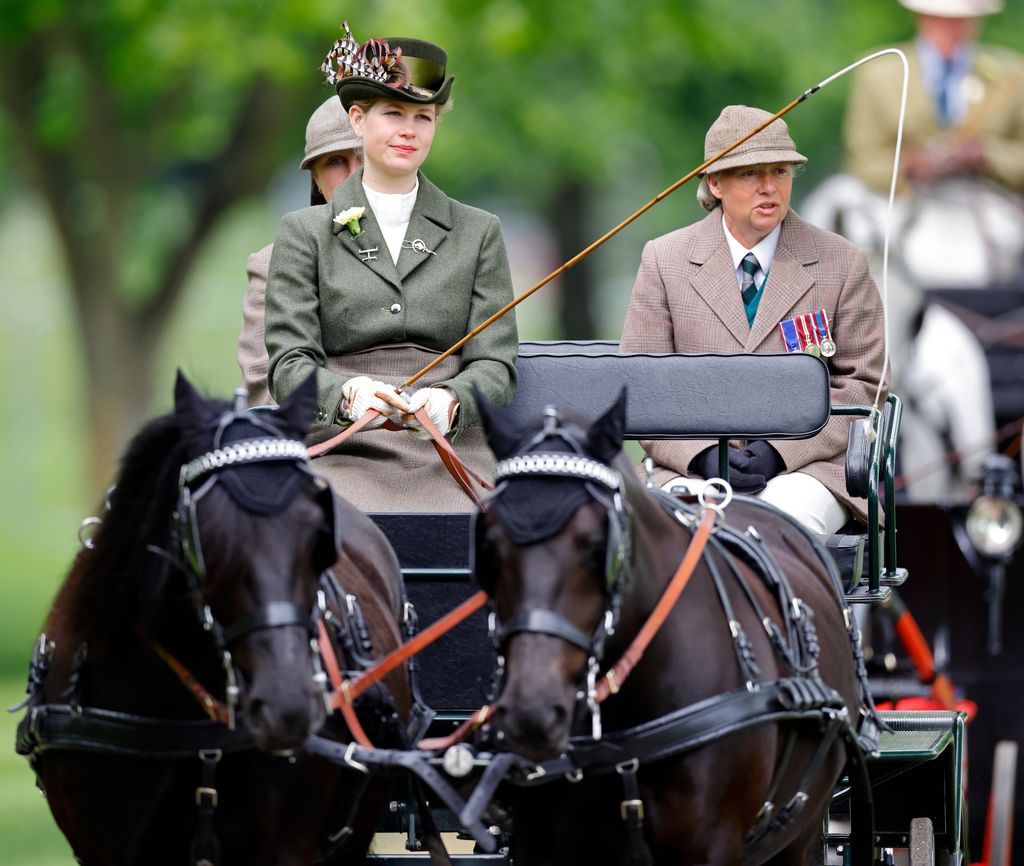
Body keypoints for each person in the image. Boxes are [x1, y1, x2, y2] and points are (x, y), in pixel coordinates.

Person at [264, 23, 518, 512]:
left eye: (423, 117)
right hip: (340, 447)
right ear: (357, 121)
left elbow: (497, 364)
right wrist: (348, 396)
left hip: (449, 451)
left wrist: (453, 400)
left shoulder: (478, 231)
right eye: (393, 113)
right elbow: (288, 364)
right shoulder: (303, 233)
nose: (409, 130)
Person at [620, 105, 887, 537]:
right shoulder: (664, 261)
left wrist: (780, 451)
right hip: (685, 473)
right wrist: (703, 454)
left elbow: (864, 385)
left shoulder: (842, 263)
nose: (769, 187)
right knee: (667, 538)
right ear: (714, 182)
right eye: (749, 174)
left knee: (779, 528)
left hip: (811, 472)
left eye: (780, 171)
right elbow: (641, 385)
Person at [237, 96, 362, 406]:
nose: (354, 174)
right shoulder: (273, 264)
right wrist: (344, 403)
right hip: (325, 446)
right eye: (335, 161)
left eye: (366, 157)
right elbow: (263, 393)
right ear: (316, 180)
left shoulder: (447, 247)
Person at [844, 0, 1024, 196]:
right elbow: (862, 160)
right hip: (902, 203)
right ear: (920, 17)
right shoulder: (877, 74)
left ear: (977, 19)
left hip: (991, 203)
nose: (949, 27)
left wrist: (987, 154)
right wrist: (908, 164)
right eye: (937, 18)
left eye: (960, 19)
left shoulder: (1011, 74)